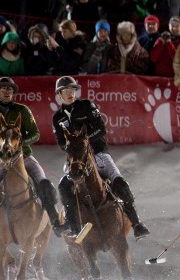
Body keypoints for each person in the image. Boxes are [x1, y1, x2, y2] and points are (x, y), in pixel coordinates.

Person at [51, 75, 150, 240]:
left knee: (118, 181)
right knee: (63, 186)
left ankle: (136, 223)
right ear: (59, 94)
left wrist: (83, 141)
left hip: (98, 153)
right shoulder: (58, 118)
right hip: (76, 159)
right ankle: (71, 223)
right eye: (66, 90)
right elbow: (61, 143)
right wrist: (72, 146)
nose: (71, 93)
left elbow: (101, 130)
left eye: (73, 89)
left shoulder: (87, 106)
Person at [0, 77, 63, 233]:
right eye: (4, 88)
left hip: (23, 157)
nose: (7, 92)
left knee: (43, 182)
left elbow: (36, 134)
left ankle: (55, 221)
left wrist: (20, 143)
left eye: (10, 89)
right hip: (1, 159)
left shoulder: (22, 110)